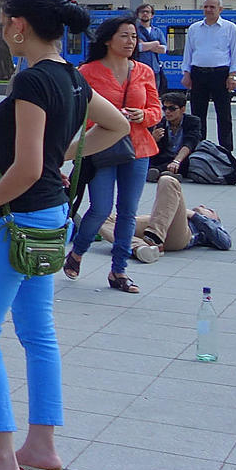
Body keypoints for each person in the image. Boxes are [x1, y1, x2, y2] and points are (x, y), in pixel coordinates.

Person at [0, 0, 128, 470]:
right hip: (53, 215)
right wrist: (64, 155)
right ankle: (41, 447)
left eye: (4, 20)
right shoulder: (71, 77)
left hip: (18, 218)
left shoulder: (30, 83)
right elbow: (115, 126)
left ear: (19, 25)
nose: (3, 29)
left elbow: (24, 169)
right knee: (37, 331)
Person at [66, 15, 161, 294]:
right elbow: (78, 111)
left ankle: (119, 270)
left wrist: (143, 115)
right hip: (102, 147)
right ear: (108, 39)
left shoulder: (144, 71)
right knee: (101, 208)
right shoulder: (87, 72)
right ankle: (77, 251)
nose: (131, 41)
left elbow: (156, 110)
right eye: (124, 36)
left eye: (134, 36)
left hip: (138, 148)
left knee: (128, 212)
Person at [99, 175, 231, 263]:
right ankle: (140, 248)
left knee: (168, 181)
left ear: (215, 218)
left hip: (180, 235)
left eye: (209, 210)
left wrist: (195, 216)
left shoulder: (210, 224)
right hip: (153, 225)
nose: (202, 205)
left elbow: (225, 243)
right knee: (100, 218)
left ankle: (154, 238)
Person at [180, 0, 236, 151]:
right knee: (197, 114)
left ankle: (226, 150)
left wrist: (233, 75)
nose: (208, 10)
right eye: (206, 7)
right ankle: (198, 148)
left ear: (220, 9)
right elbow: (188, 52)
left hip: (221, 74)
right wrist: (186, 73)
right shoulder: (194, 28)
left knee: (224, 114)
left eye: (212, 7)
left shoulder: (230, 28)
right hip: (198, 74)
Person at [147, 92, 202, 181]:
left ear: (182, 109)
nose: (167, 112)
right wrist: (153, 139)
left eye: (172, 109)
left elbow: (190, 143)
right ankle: (169, 174)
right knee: (151, 160)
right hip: (164, 157)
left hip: (183, 157)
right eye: (165, 108)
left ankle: (160, 172)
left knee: (188, 161)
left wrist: (176, 161)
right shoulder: (160, 123)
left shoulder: (193, 121)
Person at [135, 4, 168, 93]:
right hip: (139, 69)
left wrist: (146, 45)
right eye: (142, 12)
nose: (145, 14)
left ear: (152, 15)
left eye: (148, 12)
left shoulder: (157, 31)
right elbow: (137, 48)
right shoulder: (134, 30)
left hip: (155, 69)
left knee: (153, 94)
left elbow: (163, 49)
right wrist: (155, 43)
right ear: (138, 15)